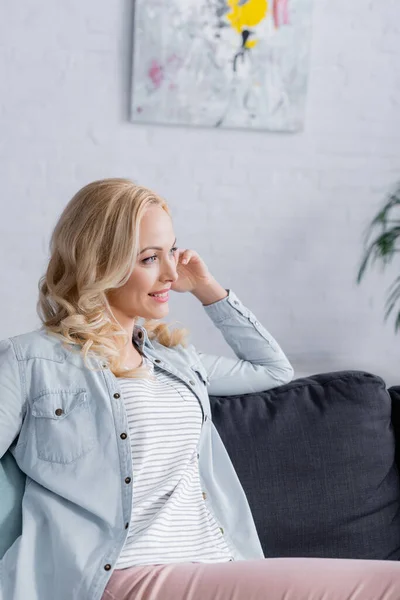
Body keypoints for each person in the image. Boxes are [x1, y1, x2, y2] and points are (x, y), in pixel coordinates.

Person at [0, 178, 399, 600]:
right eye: (150, 258)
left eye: (171, 250)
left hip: (215, 563)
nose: (172, 272)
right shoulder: (30, 362)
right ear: (99, 264)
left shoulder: (176, 362)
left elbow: (272, 369)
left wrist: (209, 289)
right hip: (120, 577)